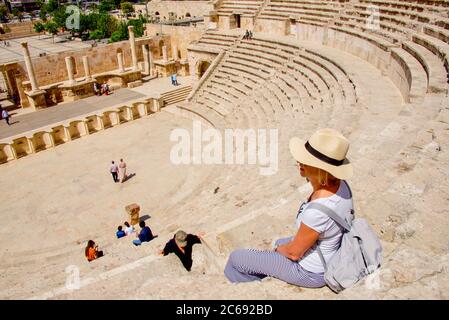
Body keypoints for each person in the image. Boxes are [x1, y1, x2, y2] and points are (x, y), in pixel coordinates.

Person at [224, 128, 354, 288]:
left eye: (306, 162)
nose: (299, 162)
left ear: (321, 170)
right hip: (325, 251)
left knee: (236, 258)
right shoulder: (342, 186)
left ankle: (247, 289)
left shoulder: (318, 211)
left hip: (309, 272)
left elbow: (293, 253)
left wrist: (279, 250)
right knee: (278, 243)